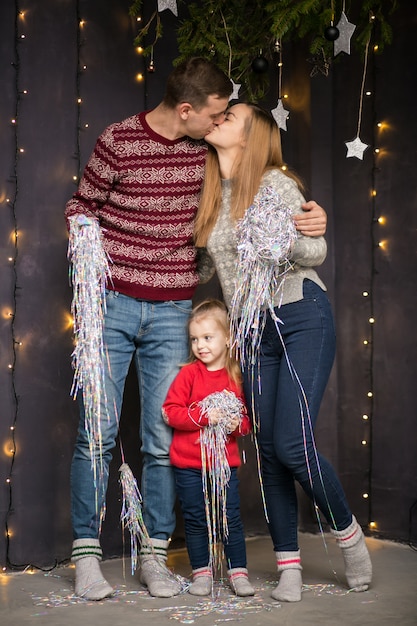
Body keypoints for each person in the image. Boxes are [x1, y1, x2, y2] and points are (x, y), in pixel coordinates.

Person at [65, 57, 327, 601]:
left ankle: (156, 556)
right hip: (111, 306)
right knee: (98, 433)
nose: (218, 123)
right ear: (186, 111)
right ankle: (87, 554)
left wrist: (310, 218)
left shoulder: (204, 154)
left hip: (171, 313)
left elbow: (252, 185)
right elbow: (80, 206)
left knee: (163, 440)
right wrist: (89, 252)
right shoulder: (117, 141)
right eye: (213, 114)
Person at [194, 102, 372, 603]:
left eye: (231, 116)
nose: (220, 117)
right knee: (269, 451)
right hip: (252, 332)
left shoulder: (273, 183)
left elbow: (314, 252)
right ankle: (288, 566)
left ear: (251, 137)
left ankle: (349, 535)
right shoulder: (210, 193)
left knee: (293, 444)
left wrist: (280, 235)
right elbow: (204, 268)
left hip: (298, 315)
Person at [162, 299, 254, 597]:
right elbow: (170, 411)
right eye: (194, 339)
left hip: (222, 465)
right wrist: (203, 416)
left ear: (227, 338)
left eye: (207, 337)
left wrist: (232, 423)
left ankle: (238, 573)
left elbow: (247, 424)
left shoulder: (236, 378)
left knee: (230, 517)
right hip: (188, 464)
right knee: (195, 518)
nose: (200, 345)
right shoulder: (189, 374)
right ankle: (202, 574)